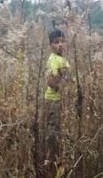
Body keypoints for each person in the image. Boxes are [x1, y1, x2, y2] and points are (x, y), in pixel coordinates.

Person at [44, 29, 71, 177]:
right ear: (50, 45)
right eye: (56, 42)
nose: (60, 45)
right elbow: (51, 81)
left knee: (60, 131)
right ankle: (48, 160)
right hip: (54, 101)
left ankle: (58, 160)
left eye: (62, 41)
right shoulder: (53, 59)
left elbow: (66, 79)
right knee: (53, 131)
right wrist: (65, 89)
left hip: (61, 101)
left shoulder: (63, 59)